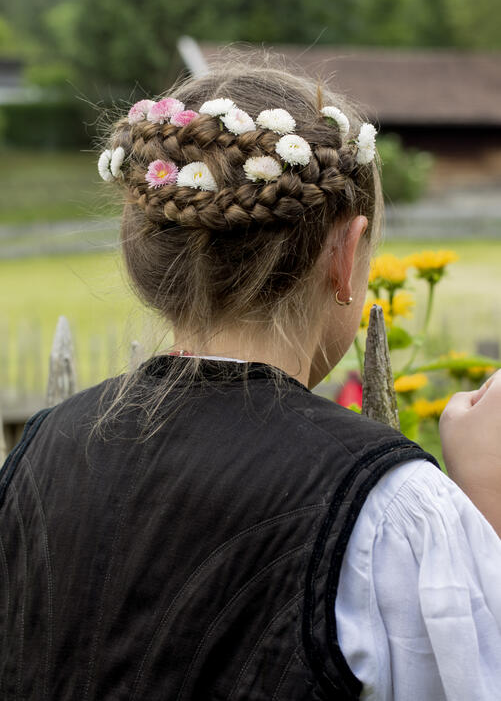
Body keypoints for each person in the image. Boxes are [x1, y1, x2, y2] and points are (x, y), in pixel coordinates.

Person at [1, 59, 501, 701]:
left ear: (140, 252)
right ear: (346, 257)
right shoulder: (393, 512)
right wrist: (485, 506)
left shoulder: (36, 457)